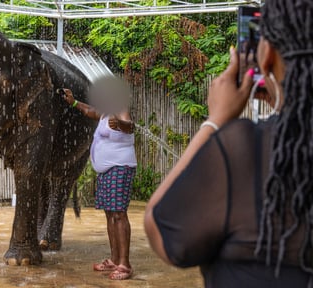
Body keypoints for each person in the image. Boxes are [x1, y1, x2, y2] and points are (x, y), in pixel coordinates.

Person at [144, 0, 313, 287]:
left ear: (267, 55)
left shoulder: (245, 151)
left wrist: (217, 120)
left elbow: (161, 230)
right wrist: (286, 104)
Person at [60, 87, 137, 280]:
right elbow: (89, 111)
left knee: (119, 214)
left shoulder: (120, 109)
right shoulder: (105, 112)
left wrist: (119, 123)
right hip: (106, 171)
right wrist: (74, 102)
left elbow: (129, 125)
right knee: (110, 214)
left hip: (120, 167)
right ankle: (113, 259)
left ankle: (124, 264)